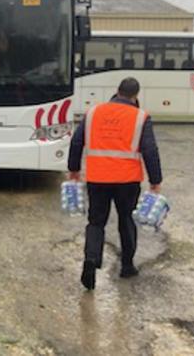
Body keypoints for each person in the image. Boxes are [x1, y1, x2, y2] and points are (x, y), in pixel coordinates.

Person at [67, 77, 162, 290]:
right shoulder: (141, 117)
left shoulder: (93, 113)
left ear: (116, 91)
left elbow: (76, 141)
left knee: (96, 222)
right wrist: (155, 181)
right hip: (127, 181)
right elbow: (150, 150)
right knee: (126, 220)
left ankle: (91, 259)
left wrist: (73, 169)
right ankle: (127, 265)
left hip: (97, 178)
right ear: (136, 95)